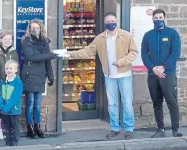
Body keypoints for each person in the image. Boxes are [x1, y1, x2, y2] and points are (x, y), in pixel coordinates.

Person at [66, 13, 138, 140]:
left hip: (124, 74)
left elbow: (133, 52)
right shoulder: (100, 38)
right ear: (105, 23)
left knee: (126, 103)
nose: (110, 23)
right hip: (109, 75)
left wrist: (122, 61)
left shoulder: (126, 36)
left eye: (112, 20)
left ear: (116, 21)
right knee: (112, 104)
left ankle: (129, 129)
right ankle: (115, 128)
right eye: (108, 21)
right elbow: (88, 51)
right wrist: (69, 54)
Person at [141, 9, 183, 138]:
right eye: (156, 17)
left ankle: (175, 129)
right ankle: (160, 129)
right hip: (153, 74)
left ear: (164, 18)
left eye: (160, 17)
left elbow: (175, 52)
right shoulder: (148, 35)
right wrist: (153, 68)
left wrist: (164, 67)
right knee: (156, 102)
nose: (158, 19)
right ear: (152, 19)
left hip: (168, 74)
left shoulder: (172, 34)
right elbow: (144, 54)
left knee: (172, 102)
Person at [21, 19, 59, 139]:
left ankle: (38, 127)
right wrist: (53, 54)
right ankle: (30, 128)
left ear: (41, 29)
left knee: (37, 104)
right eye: (32, 28)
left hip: (40, 76)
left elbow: (47, 62)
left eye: (37, 28)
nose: (35, 30)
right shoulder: (26, 41)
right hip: (29, 75)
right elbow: (32, 57)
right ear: (29, 29)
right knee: (30, 103)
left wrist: (51, 76)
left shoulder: (44, 42)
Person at [0, 60, 23, 147]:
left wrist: (6, 107)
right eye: (7, 68)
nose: (9, 70)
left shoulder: (18, 82)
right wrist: (0, 105)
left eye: (11, 68)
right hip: (4, 110)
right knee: (5, 128)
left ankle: (14, 144)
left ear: (16, 70)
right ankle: (7, 143)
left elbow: (15, 98)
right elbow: (0, 94)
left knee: (14, 128)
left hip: (14, 111)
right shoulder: (3, 81)